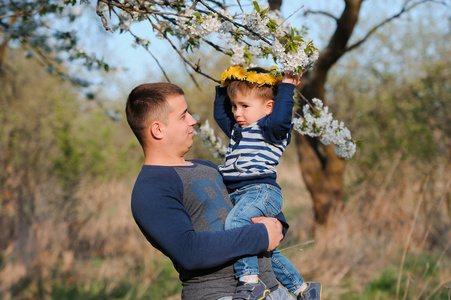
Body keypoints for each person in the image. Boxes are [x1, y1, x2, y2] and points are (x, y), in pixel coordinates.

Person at [126, 82, 296, 300]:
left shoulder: (208, 167)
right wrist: (261, 235)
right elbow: (189, 251)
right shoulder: (150, 189)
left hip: (274, 290)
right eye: (183, 115)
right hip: (220, 295)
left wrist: (277, 224)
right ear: (158, 129)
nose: (193, 120)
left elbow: (253, 199)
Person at [213, 65, 322, 300]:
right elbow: (220, 115)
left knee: (236, 223)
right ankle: (303, 289)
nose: (237, 113)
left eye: (244, 106)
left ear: (268, 107)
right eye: (235, 106)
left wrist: (287, 86)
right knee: (265, 249)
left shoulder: (271, 129)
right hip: (242, 194)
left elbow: (282, 116)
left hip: (260, 191)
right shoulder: (238, 131)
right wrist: (224, 87)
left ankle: (250, 282)